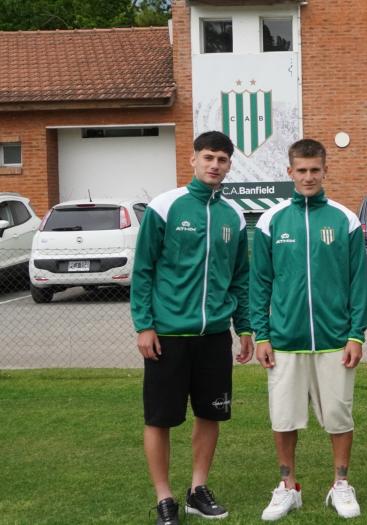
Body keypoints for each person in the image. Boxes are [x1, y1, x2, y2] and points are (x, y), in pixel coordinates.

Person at [131, 131, 254, 525]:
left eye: (221, 158)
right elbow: (144, 270)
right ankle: (164, 497)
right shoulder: (165, 207)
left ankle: (197, 490)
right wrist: (144, 325)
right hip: (168, 335)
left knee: (210, 414)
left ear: (230, 164)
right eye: (208, 157)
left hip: (214, 336)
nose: (214, 164)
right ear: (193, 160)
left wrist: (245, 327)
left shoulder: (233, 216)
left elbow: (240, 277)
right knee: (160, 418)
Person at [251, 139, 367, 520]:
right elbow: (260, 283)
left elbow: (357, 283)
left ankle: (341, 485)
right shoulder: (272, 221)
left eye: (314, 170)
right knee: (284, 418)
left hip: (335, 340)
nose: (308, 177)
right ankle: (288, 486)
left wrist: (356, 334)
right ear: (289, 173)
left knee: (338, 416)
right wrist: (262, 334)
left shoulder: (343, 219)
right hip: (285, 341)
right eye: (300, 171)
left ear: (325, 170)